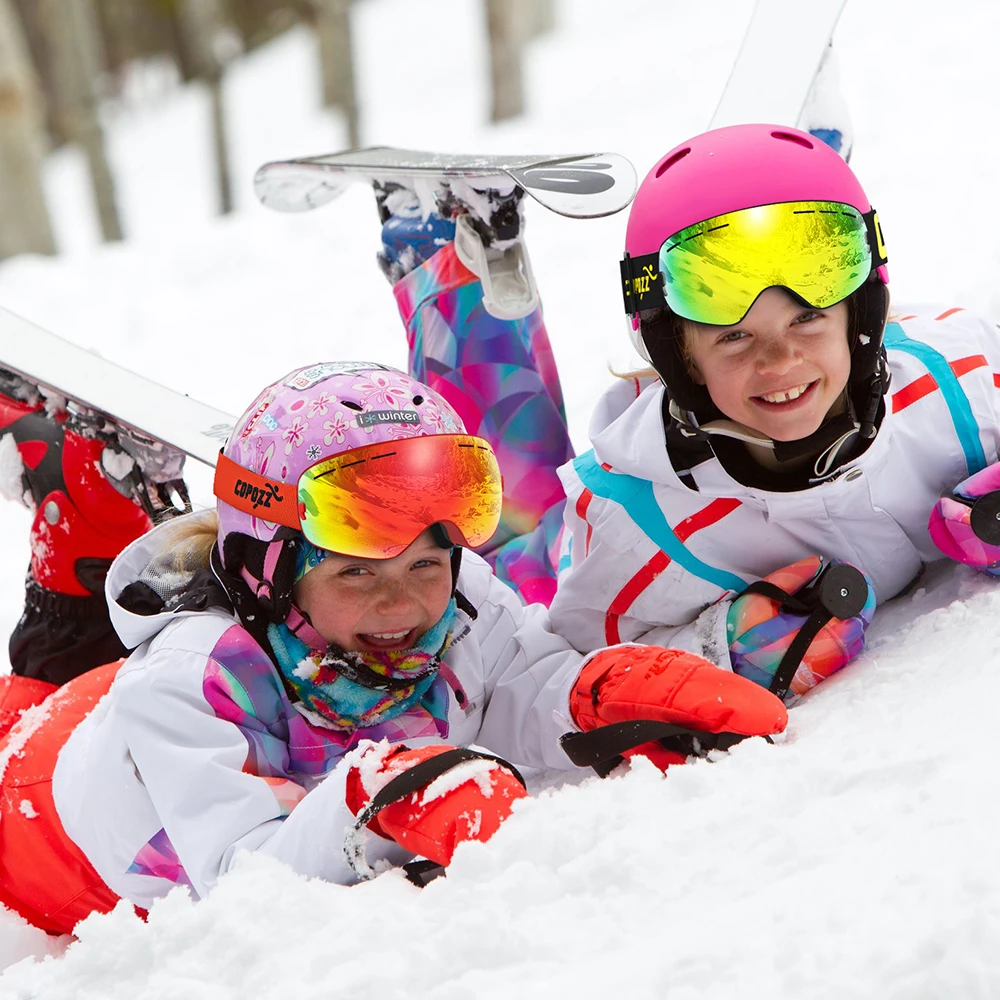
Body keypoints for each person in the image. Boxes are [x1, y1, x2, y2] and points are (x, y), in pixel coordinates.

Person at [0, 362, 788, 935]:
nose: (404, 602)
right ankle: (68, 481)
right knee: (27, 697)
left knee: (63, 658)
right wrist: (365, 801)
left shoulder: (462, 599)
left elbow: (516, 687)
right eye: (356, 574)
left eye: (423, 565)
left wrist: (595, 693)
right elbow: (240, 887)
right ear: (271, 572)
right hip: (36, 812)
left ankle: (91, 493)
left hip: (118, 719)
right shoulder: (186, 687)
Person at [370, 122, 1000, 705]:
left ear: (861, 317)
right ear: (683, 360)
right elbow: (562, 667)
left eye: (808, 318)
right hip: (560, 554)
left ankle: (776, 186)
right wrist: (718, 647)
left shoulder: (962, 378)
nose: (780, 360)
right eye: (735, 337)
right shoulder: (640, 529)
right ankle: (443, 251)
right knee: (500, 519)